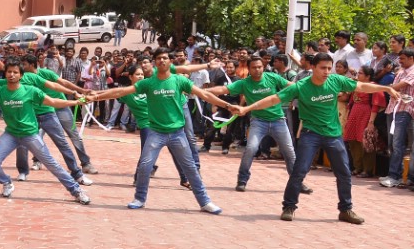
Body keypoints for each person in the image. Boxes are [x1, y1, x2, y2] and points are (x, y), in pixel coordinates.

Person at [238, 52, 400, 223]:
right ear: (313, 67)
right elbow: (273, 99)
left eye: (329, 68)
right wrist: (247, 109)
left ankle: (346, 210)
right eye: (323, 68)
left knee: (344, 173)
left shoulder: (336, 81)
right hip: (310, 135)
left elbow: (361, 86)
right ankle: (289, 206)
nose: (327, 72)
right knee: (299, 171)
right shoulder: (300, 86)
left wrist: (386, 88)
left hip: (333, 135)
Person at [87, 48, 235, 213]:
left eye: (165, 58)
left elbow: (204, 95)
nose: (162, 61)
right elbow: (121, 91)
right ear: (154, 63)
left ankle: (205, 202)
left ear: (169, 62)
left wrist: (227, 106)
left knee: (191, 168)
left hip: (178, 134)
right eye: (158, 59)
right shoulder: (148, 83)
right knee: (145, 166)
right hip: (155, 132)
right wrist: (96, 96)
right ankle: (139, 198)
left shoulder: (179, 81)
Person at [0, 59, 90, 204]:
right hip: (11, 134)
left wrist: (75, 102)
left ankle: (76, 190)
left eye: (15, 72)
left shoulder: (30, 90)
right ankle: (6, 182)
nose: (12, 75)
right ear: (5, 74)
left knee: (52, 164)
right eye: (9, 72)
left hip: (30, 135)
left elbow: (53, 102)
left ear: (21, 75)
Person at [207, 55, 310, 194]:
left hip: (278, 120)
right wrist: (200, 91)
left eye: (260, 67)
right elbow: (222, 90)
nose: (257, 70)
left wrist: (312, 88)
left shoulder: (272, 77)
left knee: (289, 152)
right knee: (251, 148)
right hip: (258, 122)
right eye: (254, 67)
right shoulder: (244, 83)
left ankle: (298, 182)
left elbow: (292, 86)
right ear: (249, 69)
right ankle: (242, 180)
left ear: (263, 67)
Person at [343, 65, 386, 178]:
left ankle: (367, 170)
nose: (358, 75)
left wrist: (371, 122)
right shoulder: (357, 85)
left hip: (366, 114)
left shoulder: (373, 87)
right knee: (353, 140)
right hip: (354, 113)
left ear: (367, 76)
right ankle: (358, 167)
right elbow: (351, 101)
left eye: (361, 73)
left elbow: (376, 106)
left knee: (365, 142)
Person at [380, 49, 414, 188]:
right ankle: (396, 175)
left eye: (403, 58)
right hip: (393, 109)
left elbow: (397, 87)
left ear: (412, 58)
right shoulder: (401, 71)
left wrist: (389, 87)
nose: (400, 61)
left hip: (405, 110)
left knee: (398, 144)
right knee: (393, 144)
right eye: (399, 59)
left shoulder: (412, 72)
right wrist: (390, 88)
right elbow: (393, 89)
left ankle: (395, 176)